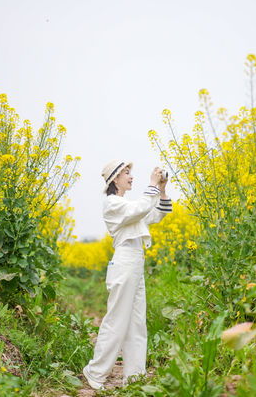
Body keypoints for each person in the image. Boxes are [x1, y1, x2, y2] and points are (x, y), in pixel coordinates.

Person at [82, 160, 172, 390]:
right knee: (117, 320)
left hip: (135, 262)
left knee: (136, 323)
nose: (131, 176)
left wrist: (161, 189)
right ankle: (95, 372)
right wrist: (152, 185)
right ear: (114, 179)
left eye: (131, 171)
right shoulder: (113, 204)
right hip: (124, 262)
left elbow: (156, 214)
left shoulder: (126, 205)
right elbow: (141, 208)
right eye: (126, 172)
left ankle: (134, 378)